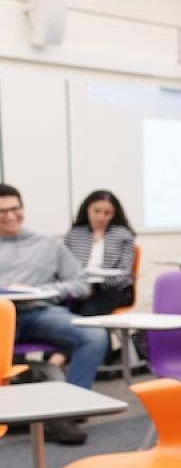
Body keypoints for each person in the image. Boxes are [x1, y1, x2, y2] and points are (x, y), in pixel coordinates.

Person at [0, 184, 108, 445]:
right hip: (1, 318)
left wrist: (43, 290)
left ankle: (65, 413)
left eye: (15, 209)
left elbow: (81, 284)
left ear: (23, 209)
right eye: (2, 211)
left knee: (94, 335)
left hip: (38, 312)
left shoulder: (47, 244)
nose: (10, 216)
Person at [63, 190, 137, 317]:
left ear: (114, 214)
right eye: (96, 211)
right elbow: (64, 266)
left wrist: (99, 283)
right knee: (61, 311)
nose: (101, 217)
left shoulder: (123, 235)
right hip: (80, 286)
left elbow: (125, 272)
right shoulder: (74, 234)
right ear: (87, 209)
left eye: (107, 213)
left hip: (112, 289)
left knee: (88, 312)